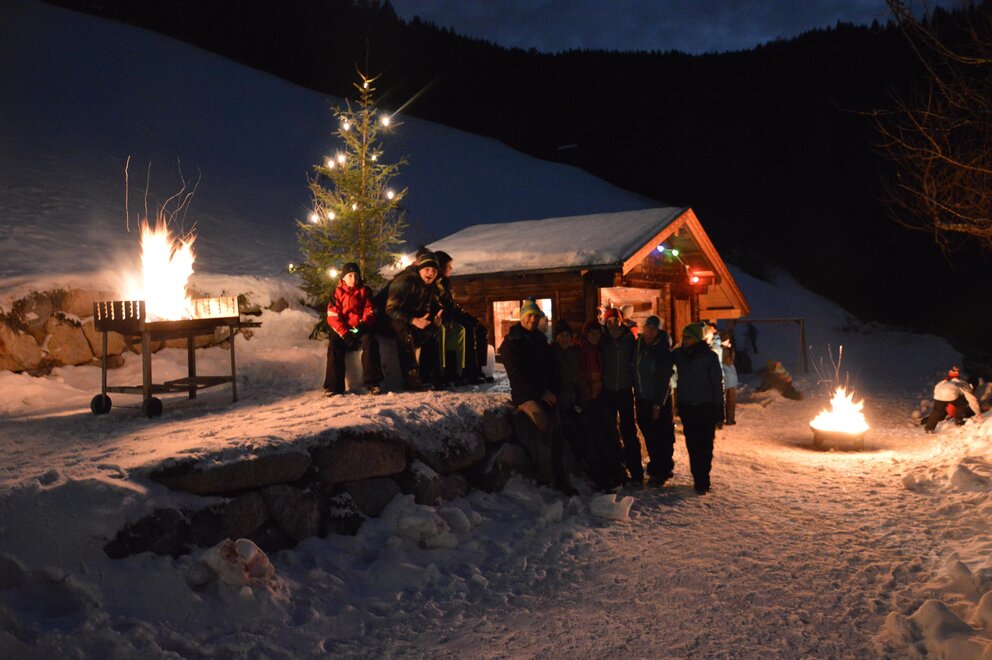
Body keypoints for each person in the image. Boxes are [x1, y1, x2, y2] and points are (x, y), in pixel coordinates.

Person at [499, 299, 576, 494]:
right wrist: (540, 393)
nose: (533, 319)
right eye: (529, 315)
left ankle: (561, 478)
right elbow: (517, 376)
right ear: (522, 316)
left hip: (545, 394)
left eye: (536, 316)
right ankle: (545, 477)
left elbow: (553, 369)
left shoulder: (540, 340)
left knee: (557, 428)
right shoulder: (511, 343)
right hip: (525, 396)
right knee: (543, 424)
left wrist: (554, 392)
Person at [374, 251, 442, 390]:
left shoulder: (429, 286)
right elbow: (390, 310)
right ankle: (412, 378)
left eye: (434, 270)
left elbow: (425, 309)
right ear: (419, 269)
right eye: (427, 269)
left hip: (405, 317)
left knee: (431, 330)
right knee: (404, 331)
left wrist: (432, 323)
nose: (431, 273)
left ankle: (430, 377)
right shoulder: (404, 280)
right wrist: (413, 320)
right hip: (382, 318)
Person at [672, 322, 724, 494]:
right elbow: (664, 360)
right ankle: (697, 477)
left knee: (706, 444)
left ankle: (703, 478)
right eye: (683, 337)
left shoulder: (709, 357)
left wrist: (719, 407)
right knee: (692, 444)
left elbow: (717, 383)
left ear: (696, 339)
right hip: (688, 406)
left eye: (688, 338)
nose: (684, 340)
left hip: (706, 406)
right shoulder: (679, 355)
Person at [576, 320, 626, 490]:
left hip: (600, 396)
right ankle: (602, 477)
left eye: (597, 332)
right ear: (586, 334)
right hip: (586, 399)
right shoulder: (580, 350)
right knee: (595, 439)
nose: (594, 335)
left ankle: (617, 473)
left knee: (611, 434)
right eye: (591, 332)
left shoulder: (601, 349)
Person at [323, 262, 384, 396]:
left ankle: (373, 382)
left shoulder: (365, 291)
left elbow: (370, 311)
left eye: (356, 275)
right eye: (350, 275)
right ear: (343, 278)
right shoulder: (336, 293)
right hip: (343, 329)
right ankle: (333, 386)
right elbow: (333, 316)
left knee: (370, 342)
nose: (353, 279)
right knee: (334, 345)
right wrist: (345, 334)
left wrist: (363, 326)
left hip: (360, 328)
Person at [433, 251, 490, 385]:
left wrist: (466, 315)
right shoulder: (436, 284)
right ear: (441, 267)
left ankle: (478, 369)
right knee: (468, 328)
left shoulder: (445, 284)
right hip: (446, 317)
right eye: (448, 266)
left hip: (453, 314)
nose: (451, 268)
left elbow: (452, 304)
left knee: (481, 328)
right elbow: (443, 305)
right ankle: (468, 371)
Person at [633, 315, 675, 486]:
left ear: (658, 331)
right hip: (642, 396)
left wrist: (658, 404)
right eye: (648, 327)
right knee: (649, 434)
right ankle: (659, 467)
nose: (650, 331)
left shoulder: (662, 349)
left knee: (661, 435)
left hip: (659, 399)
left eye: (654, 329)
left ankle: (660, 471)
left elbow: (664, 378)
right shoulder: (639, 345)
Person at [600, 306, 640, 484]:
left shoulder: (629, 338)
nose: (612, 323)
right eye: (609, 320)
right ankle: (616, 471)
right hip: (607, 391)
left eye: (615, 319)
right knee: (610, 432)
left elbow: (636, 361)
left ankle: (636, 472)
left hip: (624, 389)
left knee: (629, 431)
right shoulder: (603, 339)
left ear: (620, 320)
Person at [924, 366, 982, 432]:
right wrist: (978, 413)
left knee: (936, 411)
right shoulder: (962, 384)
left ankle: (929, 428)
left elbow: (937, 388)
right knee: (962, 404)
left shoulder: (943, 382)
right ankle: (959, 421)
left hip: (938, 395)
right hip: (951, 395)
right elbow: (972, 400)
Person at [720, 331, 739, 425]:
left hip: (730, 379)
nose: (728, 341)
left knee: (730, 400)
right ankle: (728, 419)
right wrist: (729, 349)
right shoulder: (723, 350)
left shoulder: (725, 350)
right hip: (727, 379)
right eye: (727, 340)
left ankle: (729, 419)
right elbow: (729, 361)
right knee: (729, 400)